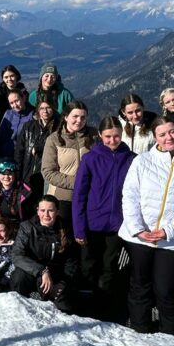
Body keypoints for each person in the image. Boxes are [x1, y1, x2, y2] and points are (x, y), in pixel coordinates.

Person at [119, 115, 174, 337]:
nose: (168, 137)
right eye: (162, 134)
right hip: (140, 237)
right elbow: (130, 195)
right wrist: (138, 228)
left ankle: (171, 338)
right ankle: (140, 331)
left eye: (173, 132)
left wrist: (170, 230)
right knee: (140, 285)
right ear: (155, 137)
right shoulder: (142, 161)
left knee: (166, 290)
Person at [72, 115, 135, 323]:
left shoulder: (132, 158)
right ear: (100, 135)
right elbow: (79, 195)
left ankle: (103, 310)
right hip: (92, 223)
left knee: (109, 268)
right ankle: (84, 309)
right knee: (89, 267)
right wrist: (79, 228)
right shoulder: (91, 158)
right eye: (108, 136)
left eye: (116, 136)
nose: (112, 140)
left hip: (117, 225)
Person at [10, 195, 79, 313]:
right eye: (42, 210)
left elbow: (71, 262)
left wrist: (62, 283)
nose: (46, 215)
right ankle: (19, 310)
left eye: (50, 210)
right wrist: (42, 271)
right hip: (32, 273)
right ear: (37, 211)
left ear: (57, 211)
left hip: (55, 277)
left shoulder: (66, 230)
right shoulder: (27, 227)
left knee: (65, 308)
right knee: (18, 277)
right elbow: (17, 255)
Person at [40, 100, 94, 227]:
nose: (79, 120)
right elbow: (48, 172)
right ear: (65, 117)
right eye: (75, 116)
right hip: (62, 198)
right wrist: (78, 182)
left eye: (83, 117)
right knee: (65, 238)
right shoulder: (54, 140)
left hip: (89, 196)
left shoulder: (94, 136)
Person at [15, 99, 59, 193]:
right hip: (27, 173)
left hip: (47, 175)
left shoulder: (58, 128)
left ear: (53, 109)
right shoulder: (28, 127)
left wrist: (40, 148)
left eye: (48, 108)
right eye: (42, 108)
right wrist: (17, 173)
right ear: (38, 110)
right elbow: (19, 151)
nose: (45, 111)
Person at [0, 159, 32, 226]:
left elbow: (30, 215)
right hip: (1, 227)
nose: (6, 177)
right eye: (3, 174)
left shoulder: (24, 190)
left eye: (10, 174)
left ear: (15, 174)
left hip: (20, 227)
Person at [0, 89, 33, 159]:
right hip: (7, 154)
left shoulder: (32, 115)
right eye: (11, 103)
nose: (15, 105)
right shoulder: (8, 114)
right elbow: (1, 137)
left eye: (17, 101)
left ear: (23, 98)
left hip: (24, 156)